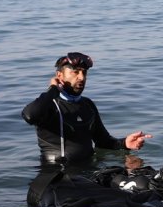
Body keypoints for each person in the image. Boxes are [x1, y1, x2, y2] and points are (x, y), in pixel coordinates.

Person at [22, 52, 152, 163]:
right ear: (59, 76)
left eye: (84, 73)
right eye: (75, 72)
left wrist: (125, 144)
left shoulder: (87, 105)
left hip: (88, 171)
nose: (82, 77)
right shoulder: (50, 105)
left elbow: (103, 141)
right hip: (57, 175)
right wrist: (53, 89)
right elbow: (29, 115)